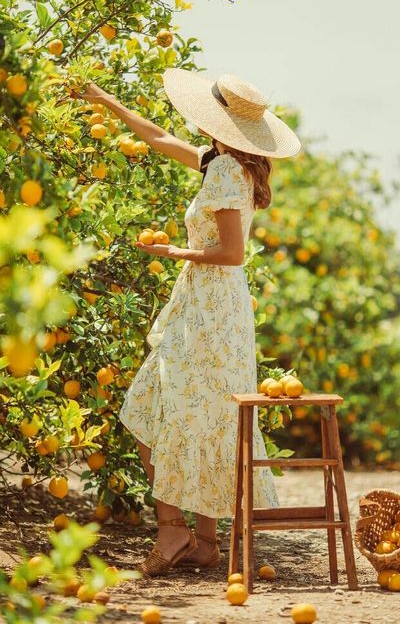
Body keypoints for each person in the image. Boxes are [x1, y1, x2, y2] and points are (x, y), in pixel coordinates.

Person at [71, 68, 301, 576]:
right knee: (199, 413)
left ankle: (174, 527)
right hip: (215, 309)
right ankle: (203, 540)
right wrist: (105, 98)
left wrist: (174, 250)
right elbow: (156, 137)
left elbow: (233, 253)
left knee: (156, 402)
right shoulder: (227, 163)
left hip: (211, 311)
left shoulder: (222, 171)